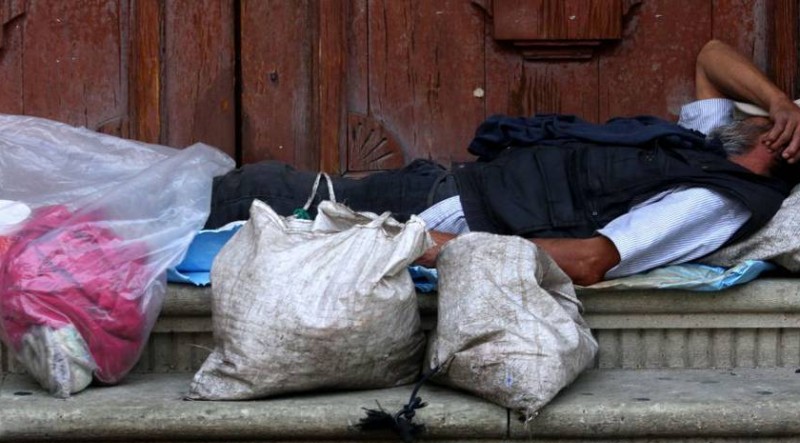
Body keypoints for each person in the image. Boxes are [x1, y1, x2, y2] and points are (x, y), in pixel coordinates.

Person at [206, 40, 800, 286]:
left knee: (254, 193)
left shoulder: (717, 200)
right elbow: (711, 55)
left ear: (780, 148)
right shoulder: (709, 146)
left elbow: (594, 259)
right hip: (448, 184)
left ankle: (117, 253)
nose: (761, 112)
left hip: (451, 214)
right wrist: (776, 101)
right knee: (248, 195)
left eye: (778, 118)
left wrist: (430, 246)